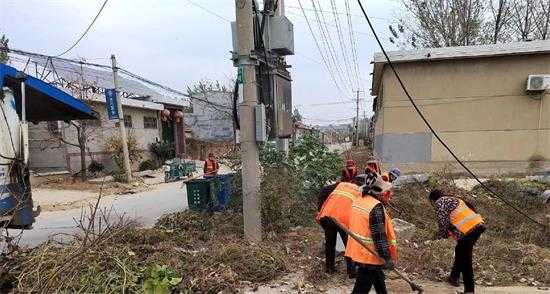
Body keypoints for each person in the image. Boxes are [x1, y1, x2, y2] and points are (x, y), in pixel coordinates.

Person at [345, 172, 397, 294]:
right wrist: (387, 258)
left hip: (359, 251)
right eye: (386, 192)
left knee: (378, 278)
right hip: (369, 256)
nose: (388, 195)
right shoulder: (375, 207)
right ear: (379, 193)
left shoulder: (359, 200)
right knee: (361, 289)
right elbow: (379, 237)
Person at [429, 189, 486, 294]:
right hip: (477, 226)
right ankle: (453, 277)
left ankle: (469, 290)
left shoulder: (440, 202)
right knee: (460, 250)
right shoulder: (454, 200)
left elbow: (443, 222)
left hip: (469, 231)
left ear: (433, 200)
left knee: (466, 261)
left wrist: (440, 235)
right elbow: (471, 208)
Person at [316, 175, 366, 277]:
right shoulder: (361, 192)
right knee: (349, 245)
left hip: (327, 215)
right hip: (343, 219)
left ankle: (329, 268)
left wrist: (320, 207)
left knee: (330, 243)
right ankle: (352, 271)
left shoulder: (341, 184)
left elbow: (325, 189)